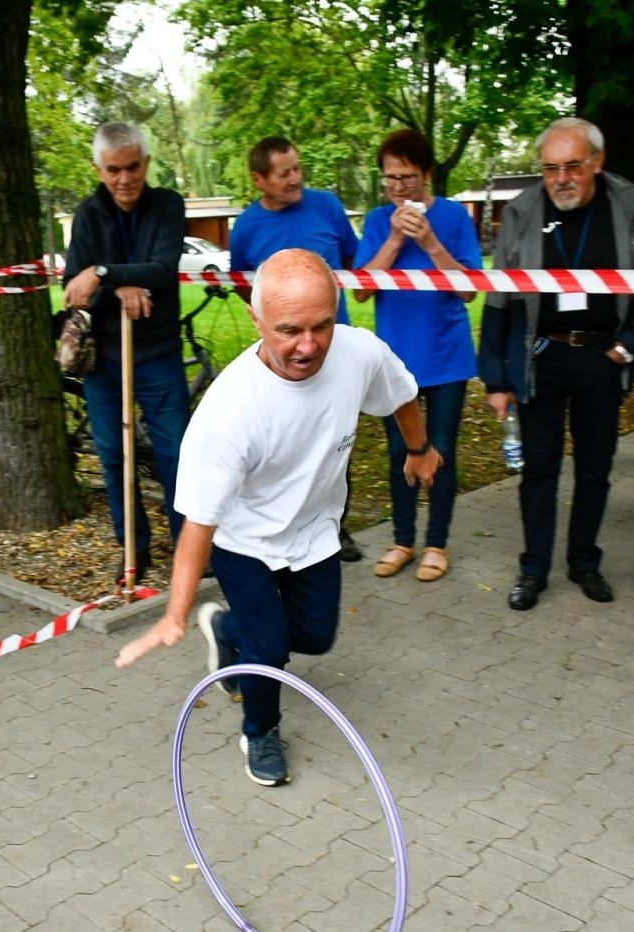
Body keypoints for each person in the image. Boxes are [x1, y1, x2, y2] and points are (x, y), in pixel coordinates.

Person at [115, 249, 439, 786]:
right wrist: (174, 614)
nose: (308, 346)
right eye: (289, 330)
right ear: (256, 318)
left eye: (322, 326)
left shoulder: (359, 353)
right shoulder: (229, 414)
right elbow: (198, 522)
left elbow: (400, 396)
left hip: (315, 530)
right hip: (245, 540)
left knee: (313, 637)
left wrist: (420, 448)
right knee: (270, 653)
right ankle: (259, 729)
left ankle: (226, 630)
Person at [477, 117, 634, 611]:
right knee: (538, 469)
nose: (560, 178)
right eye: (549, 169)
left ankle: (584, 561)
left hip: (603, 354)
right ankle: (533, 569)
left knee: (595, 469)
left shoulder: (629, 206)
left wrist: (628, 345)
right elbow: (499, 298)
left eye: (572, 167)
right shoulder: (522, 212)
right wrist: (495, 377)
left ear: (597, 163)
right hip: (542, 355)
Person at [228, 135, 366, 562]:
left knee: (335, 442)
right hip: (279, 362)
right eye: (285, 172)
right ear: (259, 179)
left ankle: (333, 529)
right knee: (284, 444)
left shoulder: (326, 206)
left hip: (333, 350)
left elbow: (354, 260)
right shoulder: (247, 228)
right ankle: (280, 531)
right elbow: (242, 286)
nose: (296, 179)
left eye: (298, 168)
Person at [63, 122, 189, 584]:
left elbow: (162, 268)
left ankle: (189, 545)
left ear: (147, 164)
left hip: (157, 353)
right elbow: (73, 288)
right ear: (99, 169)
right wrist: (118, 285)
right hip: (104, 360)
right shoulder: (87, 214)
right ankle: (133, 546)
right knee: (114, 454)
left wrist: (103, 272)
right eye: (113, 170)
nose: (124, 179)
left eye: (133, 167)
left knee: (176, 454)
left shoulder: (168, 205)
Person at [355, 128, 482, 583]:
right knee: (399, 452)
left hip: (446, 357)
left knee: (441, 450)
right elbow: (363, 291)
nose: (398, 188)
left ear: (427, 175)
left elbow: (469, 289)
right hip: (394, 361)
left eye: (407, 178)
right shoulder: (375, 221)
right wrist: (392, 240)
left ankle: (437, 544)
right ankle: (403, 541)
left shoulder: (453, 217)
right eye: (390, 178)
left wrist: (429, 242)